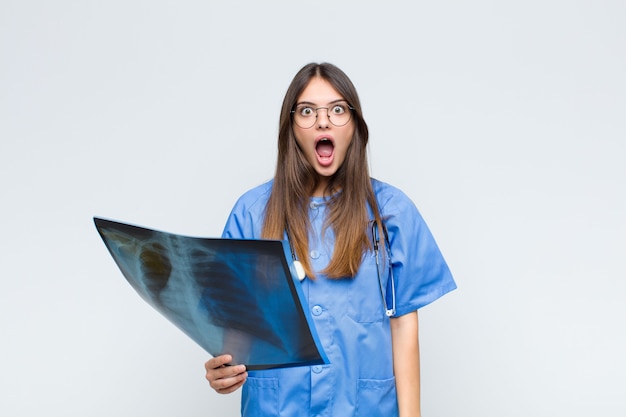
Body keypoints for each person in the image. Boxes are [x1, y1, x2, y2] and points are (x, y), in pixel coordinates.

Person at [204, 62, 456, 417]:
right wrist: (223, 370)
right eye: (307, 111)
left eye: (337, 110)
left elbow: (403, 328)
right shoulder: (251, 213)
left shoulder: (392, 213)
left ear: (354, 125)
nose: (323, 122)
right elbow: (236, 329)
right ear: (291, 127)